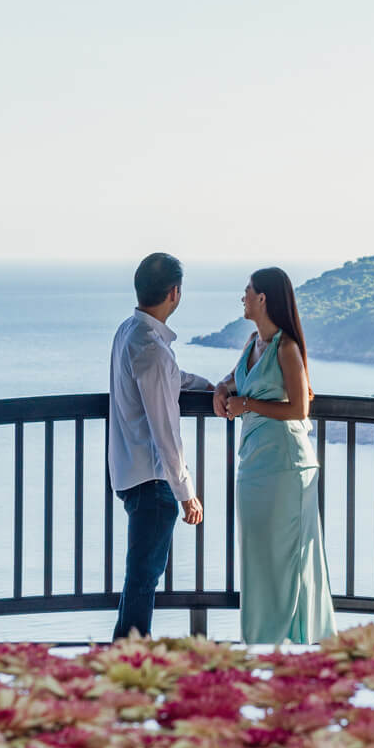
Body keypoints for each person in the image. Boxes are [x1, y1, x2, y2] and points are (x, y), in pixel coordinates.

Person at [213, 267, 336, 645]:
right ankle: (261, 644)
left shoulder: (287, 348)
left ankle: (297, 645)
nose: (243, 297)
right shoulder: (253, 343)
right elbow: (237, 380)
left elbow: (300, 409)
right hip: (253, 465)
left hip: (287, 466)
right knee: (258, 559)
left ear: (263, 298)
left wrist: (246, 403)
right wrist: (221, 388)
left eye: (247, 291)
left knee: (288, 560)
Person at [106, 253, 211, 639]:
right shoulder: (151, 347)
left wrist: (205, 386)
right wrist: (187, 492)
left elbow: (166, 381)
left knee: (142, 574)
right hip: (153, 480)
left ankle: (126, 654)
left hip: (131, 472)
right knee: (143, 577)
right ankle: (129, 660)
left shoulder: (129, 332)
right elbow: (166, 431)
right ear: (175, 293)